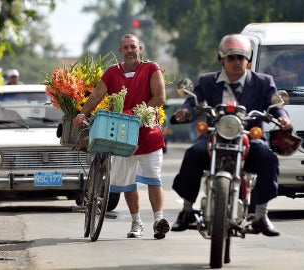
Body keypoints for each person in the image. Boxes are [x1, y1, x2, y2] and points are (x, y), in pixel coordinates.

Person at [171, 34, 292, 237]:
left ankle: (261, 215)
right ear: (222, 60)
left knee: (268, 158)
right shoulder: (208, 81)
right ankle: (187, 211)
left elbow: (275, 105)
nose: (237, 62)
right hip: (213, 136)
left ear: (248, 60)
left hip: (249, 137)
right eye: (231, 57)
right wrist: (184, 111)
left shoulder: (263, 82)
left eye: (241, 57)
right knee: (193, 154)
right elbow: (193, 101)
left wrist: (283, 118)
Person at [73, 34, 170, 239]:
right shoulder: (112, 73)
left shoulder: (151, 68)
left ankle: (159, 220)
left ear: (140, 49)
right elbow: (97, 95)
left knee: (154, 177)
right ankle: (136, 223)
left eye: (133, 47)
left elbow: (160, 97)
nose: (129, 51)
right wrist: (83, 113)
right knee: (127, 182)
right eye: (125, 47)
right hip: (122, 134)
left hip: (147, 132)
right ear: (120, 51)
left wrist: (137, 114)